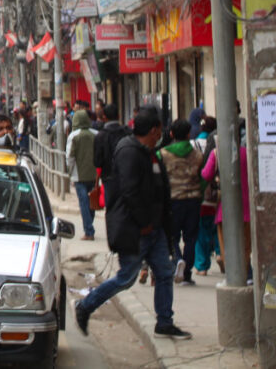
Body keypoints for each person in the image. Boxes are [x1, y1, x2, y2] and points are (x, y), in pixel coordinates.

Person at [74, 109, 191, 340]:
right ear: (154, 129)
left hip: (154, 227)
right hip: (137, 229)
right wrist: (143, 223)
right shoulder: (129, 151)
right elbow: (130, 192)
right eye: (159, 130)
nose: (161, 134)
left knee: (164, 273)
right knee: (126, 277)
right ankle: (86, 305)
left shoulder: (150, 152)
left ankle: (165, 322)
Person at [158, 118, 203, 285]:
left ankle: (177, 260)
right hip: (193, 200)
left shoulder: (162, 154)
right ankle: (188, 272)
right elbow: (203, 178)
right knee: (191, 237)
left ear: (171, 134)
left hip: (173, 201)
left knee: (172, 236)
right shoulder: (197, 155)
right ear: (188, 134)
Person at [201, 130, 251, 282]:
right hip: (247, 206)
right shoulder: (247, 153)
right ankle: (247, 274)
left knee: (227, 244)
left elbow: (206, 174)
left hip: (225, 207)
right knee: (246, 245)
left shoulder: (217, 154)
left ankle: (233, 276)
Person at [192, 116, 221, 275]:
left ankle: (202, 266)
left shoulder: (193, 144)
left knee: (202, 229)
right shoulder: (218, 143)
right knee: (218, 227)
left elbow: (204, 173)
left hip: (203, 195)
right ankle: (220, 253)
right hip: (220, 194)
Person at [66, 110, 98, 240]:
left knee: (84, 202)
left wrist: (69, 172)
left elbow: (70, 157)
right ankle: (90, 225)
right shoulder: (96, 134)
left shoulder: (73, 136)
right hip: (94, 174)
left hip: (78, 175)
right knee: (92, 201)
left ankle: (89, 231)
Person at [93, 102, 127, 196]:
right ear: (119, 116)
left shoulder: (100, 136)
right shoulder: (127, 132)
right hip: (126, 176)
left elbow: (97, 162)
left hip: (108, 179)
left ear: (104, 117)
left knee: (112, 205)